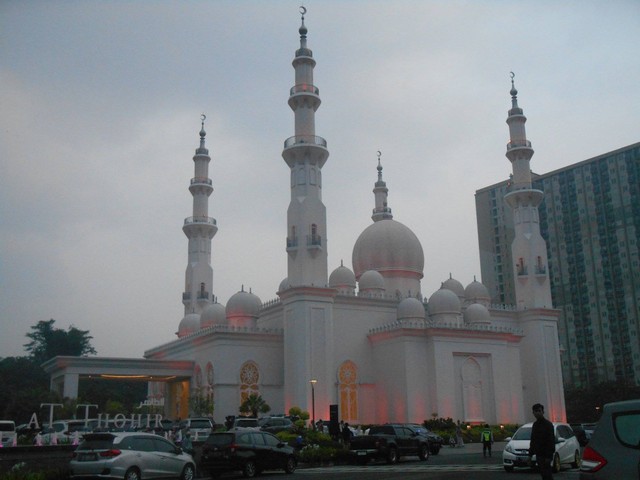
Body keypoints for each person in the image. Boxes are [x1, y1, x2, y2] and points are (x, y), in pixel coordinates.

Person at [528, 403, 556, 480]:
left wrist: (549, 456)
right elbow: (533, 440)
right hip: (539, 455)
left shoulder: (548, 425)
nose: (537, 413)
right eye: (535, 411)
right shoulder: (535, 425)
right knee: (543, 474)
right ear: (533, 413)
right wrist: (530, 455)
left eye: (539, 411)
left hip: (546, 455)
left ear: (543, 412)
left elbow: (551, 441)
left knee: (548, 475)